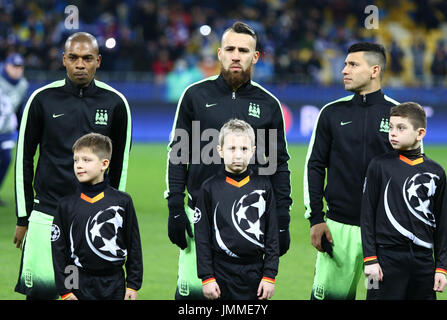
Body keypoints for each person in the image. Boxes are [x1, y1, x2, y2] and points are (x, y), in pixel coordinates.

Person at [165, 21, 292, 299]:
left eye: (244, 50)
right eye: (231, 49)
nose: (236, 55)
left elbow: (278, 164)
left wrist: (282, 217)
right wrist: (175, 206)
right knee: (193, 297)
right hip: (201, 213)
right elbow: (178, 154)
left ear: (255, 56)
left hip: (251, 219)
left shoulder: (268, 105)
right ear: (220, 53)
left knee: (245, 298)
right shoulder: (195, 96)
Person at [13, 32, 132, 299]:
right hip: (46, 214)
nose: (80, 64)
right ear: (63, 59)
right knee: (43, 294)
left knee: (84, 293)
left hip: (92, 218)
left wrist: (115, 212)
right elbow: (24, 159)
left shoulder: (115, 103)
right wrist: (24, 217)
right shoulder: (42, 99)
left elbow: (120, 164)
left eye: (87, 58)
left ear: (98, 61)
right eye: (74, 58)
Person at [304, 42, 400, 300]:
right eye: (345, 64)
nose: (344, 70)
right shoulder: (331, 113)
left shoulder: (399, 116)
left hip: (385, 234)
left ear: (374, 70)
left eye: (352, 64)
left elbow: (412, 175)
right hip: (338, 231)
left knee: (379, 296)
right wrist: (316, 218)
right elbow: (314, 166)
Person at [361, 102, 447, 300]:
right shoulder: (378, 165)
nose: (393, 133)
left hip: (424, 262)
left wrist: (441, 267)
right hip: (382, 261)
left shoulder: (437, 173)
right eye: (390, 127)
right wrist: (370, 259)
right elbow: (366, 216)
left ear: (420, 133)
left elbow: (443, 225)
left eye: (401, 128)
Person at [194, 119, 279, 300]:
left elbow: (272, 235)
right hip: (220, 273)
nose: (238, 155)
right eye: (232, 149)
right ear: (220, 151)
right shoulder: (209, 188)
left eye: (244, 149)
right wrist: (206, 277)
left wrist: (269, 275)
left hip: (256, 274)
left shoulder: (264, 186)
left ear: (253, 152)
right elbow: (202, 237)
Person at [52, 133, 142, 300]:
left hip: (114, 283)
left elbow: (134, 245)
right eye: (76, 160)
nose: (79, 165)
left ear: (104, 164)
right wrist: (66, 290)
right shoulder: (66, 205)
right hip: (78, 281)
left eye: (86, 160)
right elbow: (59, 251)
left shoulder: (122, 201)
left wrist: (133, 284)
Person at [0, 53, 29, 205]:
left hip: (5, 131)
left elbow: (18, 110)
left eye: (20, 67)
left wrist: (20, 129)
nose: (17, 70)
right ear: (6, 66)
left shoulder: (23, 84)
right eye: (14, 66)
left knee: (6, 158)